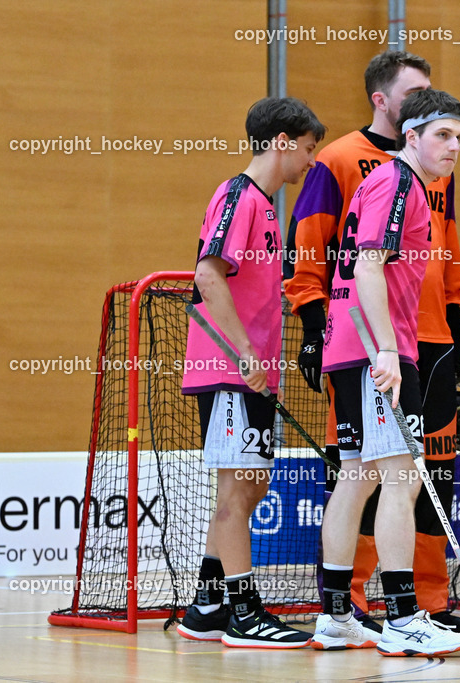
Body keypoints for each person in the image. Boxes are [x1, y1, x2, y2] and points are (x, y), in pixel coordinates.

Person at [284, 51, 460, 638]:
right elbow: (367, 266)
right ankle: (405, 617)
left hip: (355, 349)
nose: (454, 146)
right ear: (411, 135)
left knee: (357, 476)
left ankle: (336, 614)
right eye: (443, 135)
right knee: (398, 478)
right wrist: (388, 351)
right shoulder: (398, 183)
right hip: (376, 353)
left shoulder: (392, 179)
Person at [176, 97, 326, 648]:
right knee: (236, 488)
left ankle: (207, 602)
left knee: (252, 483)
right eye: (308, 149)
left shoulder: (264, 206)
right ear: (282, 142)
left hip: (254, 372)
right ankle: (244, 613)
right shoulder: (237, 196)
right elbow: (208, 276)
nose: (310, 161)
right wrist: (242, 352)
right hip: (229, 370)